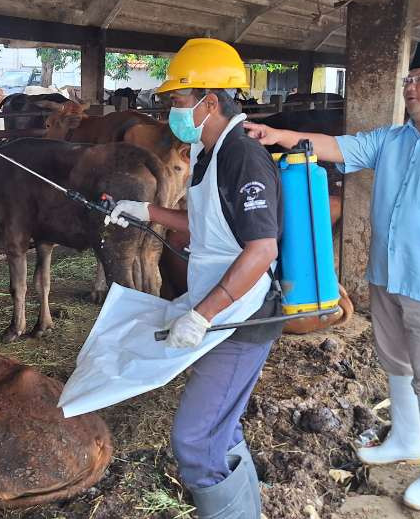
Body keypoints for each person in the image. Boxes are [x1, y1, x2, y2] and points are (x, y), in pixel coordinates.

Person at [244, 42, 420, 511]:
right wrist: (275, 133)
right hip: (387, 275)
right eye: (409, 79)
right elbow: (335, 147)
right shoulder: (392, 139)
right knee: (396, 362)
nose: (411, 86)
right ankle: (406, 439)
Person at [60, 38, 282, 518]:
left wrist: (202, 315)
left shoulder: (242, 156)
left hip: (239, 318)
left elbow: (262, 248)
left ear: (207, 101)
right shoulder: (210, 151)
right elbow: (213, 227)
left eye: (178, 101)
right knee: (221, 429)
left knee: (194, 440)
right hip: (221, 308)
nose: (171, 112)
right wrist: (145, 211)